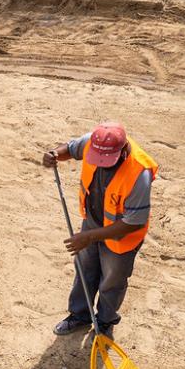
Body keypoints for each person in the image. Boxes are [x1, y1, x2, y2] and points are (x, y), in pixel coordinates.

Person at [42, 122, 158, 341]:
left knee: (112, 279)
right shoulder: (93, 142)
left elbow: (133, 222)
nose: (103, 165)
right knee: (85, 269)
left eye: (108, 162)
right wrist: (55, 154)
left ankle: (104, 321)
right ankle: (80, 315)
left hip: (122, 236)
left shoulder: (138, 173)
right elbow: (70, 148)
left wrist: (89, 237)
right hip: (93, 221)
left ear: (123, 151)